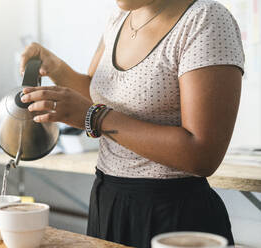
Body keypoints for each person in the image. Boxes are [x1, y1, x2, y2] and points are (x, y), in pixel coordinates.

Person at [19, 0, 244, 247]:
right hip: (108, 200)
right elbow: (98, 100)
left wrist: (97, 117)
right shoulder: (119, 17)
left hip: (172, 216)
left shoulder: (205, 19)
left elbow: (202, 155)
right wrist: (55, 67)